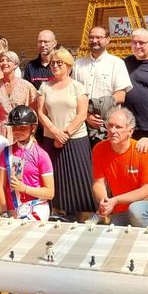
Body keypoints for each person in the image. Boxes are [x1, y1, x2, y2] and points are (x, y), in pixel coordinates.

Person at [37, 47, 95, 218]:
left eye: (59, 63)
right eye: (52, 63)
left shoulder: (78, 86)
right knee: (56, 176)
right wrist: (56, 133)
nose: (55, 66)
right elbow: (41, 113)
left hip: (76, 139)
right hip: (51, 139)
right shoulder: (44, 86)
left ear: (69, 65)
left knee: (77, 177)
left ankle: (78, 213)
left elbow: (82, 114)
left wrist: (66, 134)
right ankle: (57, 209)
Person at [92, 107, 148, 227]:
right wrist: (105, 201)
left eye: (118, 127)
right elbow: (99, 183)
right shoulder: (99, 149)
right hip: (121, 207)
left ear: (130, 131)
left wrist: (116, 200)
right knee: (113, 230)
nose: (113, 130)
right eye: (110, 125)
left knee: (136, 211)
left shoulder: (143, 150)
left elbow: (147, 192)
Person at [72, 26, 132, 146]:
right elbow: (73, 94)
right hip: (81, 126)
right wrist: (87, 116)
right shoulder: (77, 64)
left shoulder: (117, 63)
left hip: (108, 127)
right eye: (91, 37)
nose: (94, 41)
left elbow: (121, 95)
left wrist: (101, 112)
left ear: (107, 39)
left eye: (99, 37)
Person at [0, 106, 54, 220]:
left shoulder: (42, 155)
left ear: (33, 128)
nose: (17, 132)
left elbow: (50, 193)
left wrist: (25, 189)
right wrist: (4, 212)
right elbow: (1, 187)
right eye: (14, 128)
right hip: (13, 209)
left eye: (22, 128)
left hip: (36, 206)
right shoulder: (6, 153)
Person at [124, 28, 148, 142]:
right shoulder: (126, 62)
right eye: (134, 42)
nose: (137, 46)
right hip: (129, 126)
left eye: (141, 43)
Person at [0, 51, 37, 142]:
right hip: (0, 133)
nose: (4, 63)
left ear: (16, 64)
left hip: (21, 131)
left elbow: (34, 113)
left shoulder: (27, 87)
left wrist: (31, 133)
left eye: (8, 60)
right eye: (2, 60)